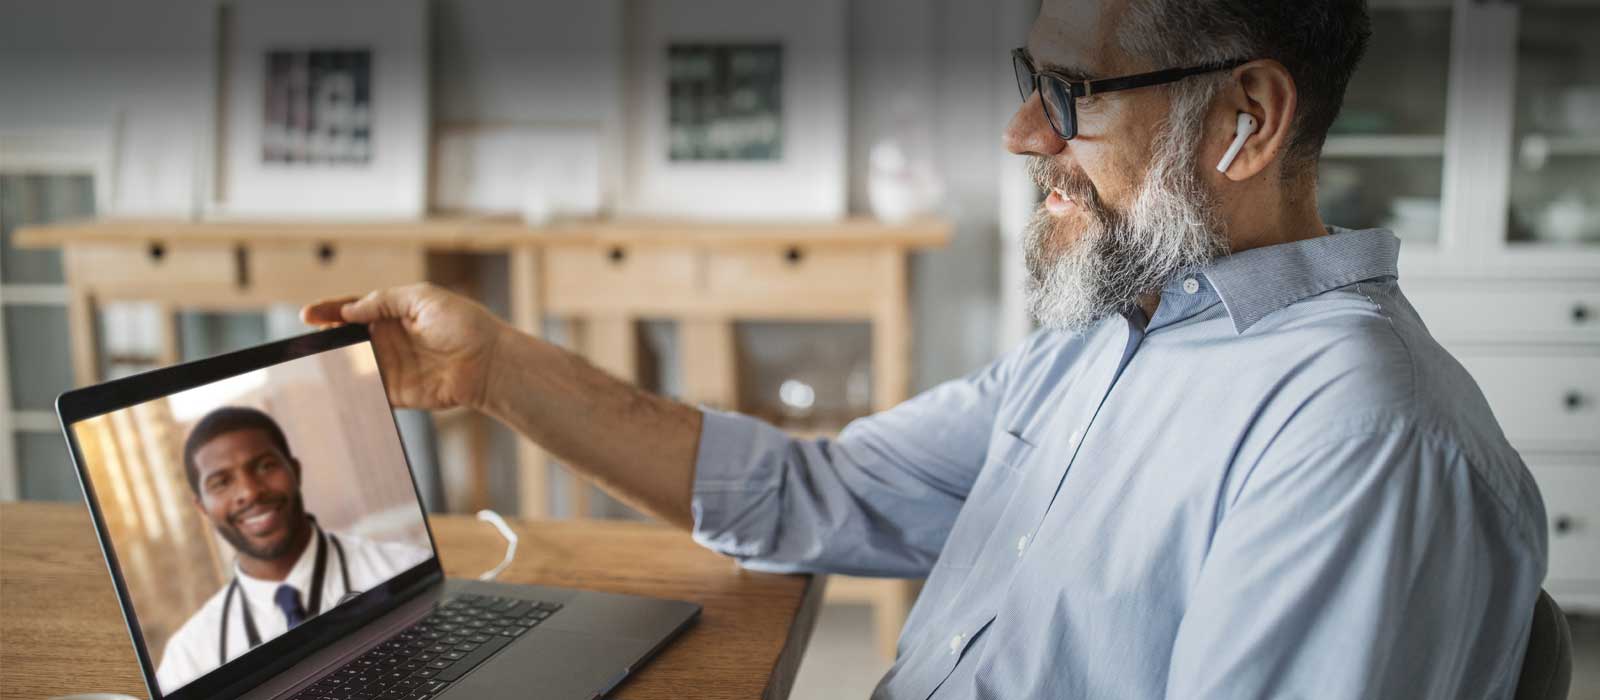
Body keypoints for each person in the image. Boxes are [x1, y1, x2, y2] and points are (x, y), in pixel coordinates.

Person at [303, 0, 1547, 696]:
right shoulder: (1117, 339)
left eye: (1069, 94)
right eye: (1030, 79)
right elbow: (813, 492)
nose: (1020, 134)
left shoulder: (1359, 437)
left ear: (1246, 119)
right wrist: (499, 368)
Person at [156, 407, 431, 692]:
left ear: (295, 471)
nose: (249, 492)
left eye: (264, 466)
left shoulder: (402, 568)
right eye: (222, 482)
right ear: (203, 508)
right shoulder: (187, 658)